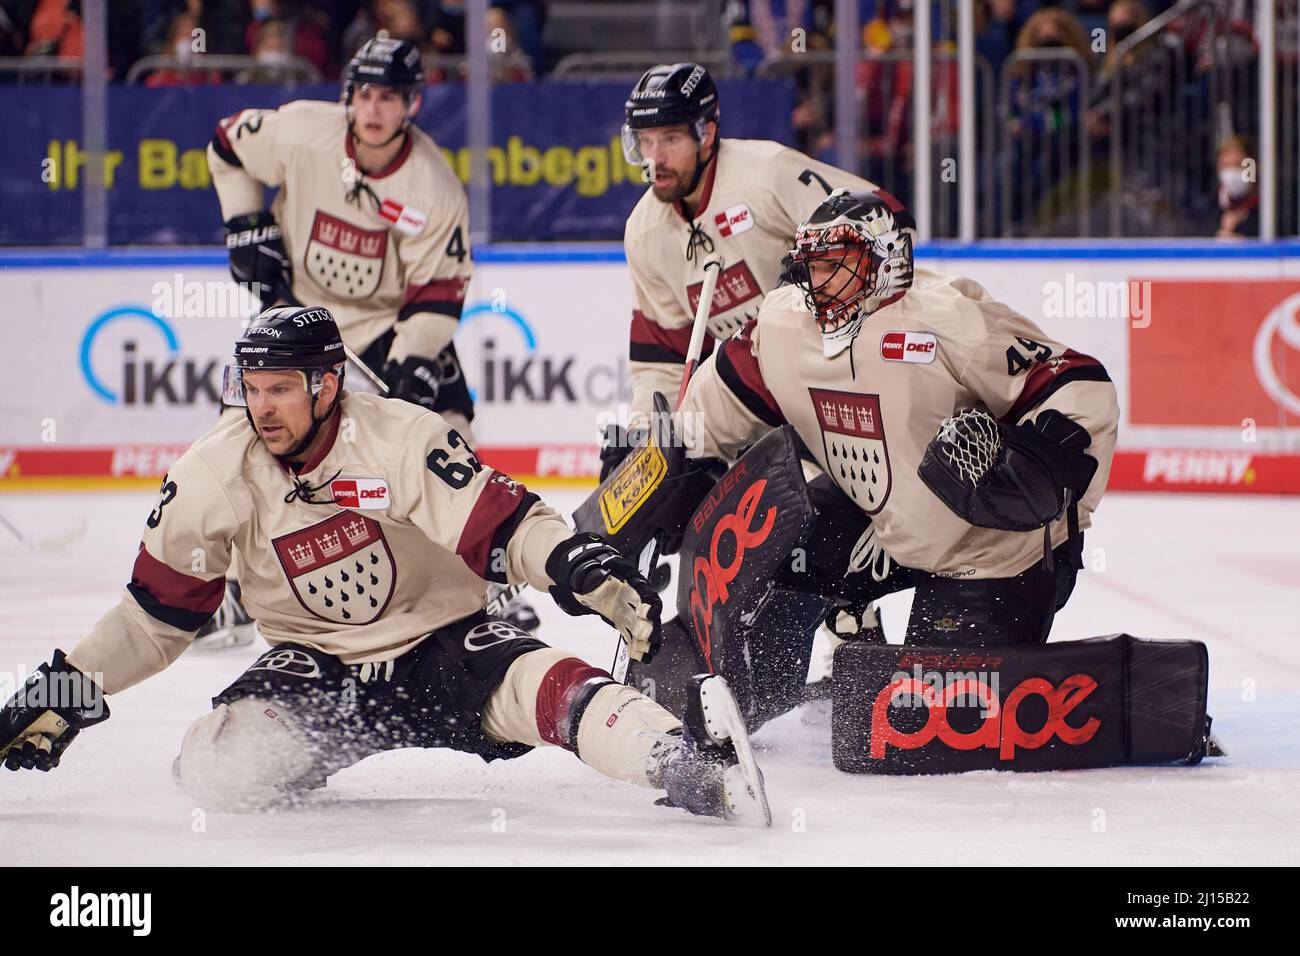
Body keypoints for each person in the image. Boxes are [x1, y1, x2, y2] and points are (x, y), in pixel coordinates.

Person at [0, 307, 770, 827]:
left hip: (444, 646)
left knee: (555, 690)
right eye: (251, 389)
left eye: (280, 390)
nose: (261, 408)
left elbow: (504, 525)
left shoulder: (402, 437)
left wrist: (571, 562)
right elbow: (155, 615)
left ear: (327, 384)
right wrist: (71, 684)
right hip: (323, 670)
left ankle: (685, 764)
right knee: (220, 772)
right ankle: (299, 748)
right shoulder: (211, 472)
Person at [677, 189, 1118, 663]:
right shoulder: (784, 322)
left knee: (921, 719)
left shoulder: (948, 315)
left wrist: (1040, 469)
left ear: (884, 261)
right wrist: (666, 478)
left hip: (994, 549)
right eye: (812, 265)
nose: (818, 282)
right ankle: (762, 687)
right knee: (771, 550)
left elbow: (1077, 384)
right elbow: (704, 415)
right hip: (891, 530)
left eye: (835, 264)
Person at [205, 31, 539, 639]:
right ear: (348, 97)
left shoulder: (433, 187)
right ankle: (225, 586)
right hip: (301, 321)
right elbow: (225, 144)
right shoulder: (303, 132)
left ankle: (483, 581)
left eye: (390, 98)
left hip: (388, 324)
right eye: (365, 95)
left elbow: (438, 292)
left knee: (450, 433)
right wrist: (244, 225)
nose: (375, 110)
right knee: (255, 438)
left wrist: (412, 365)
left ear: (411, 105)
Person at [611, 61, 882, 466]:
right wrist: (641, 436)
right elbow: (662, 362)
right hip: (758, 398)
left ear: (707, 135)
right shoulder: (645, 232)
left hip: (843, 380)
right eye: (645, 142)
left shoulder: (766, 174)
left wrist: (821, 288)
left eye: (669, 139)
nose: (655, 159)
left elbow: (883, 220)